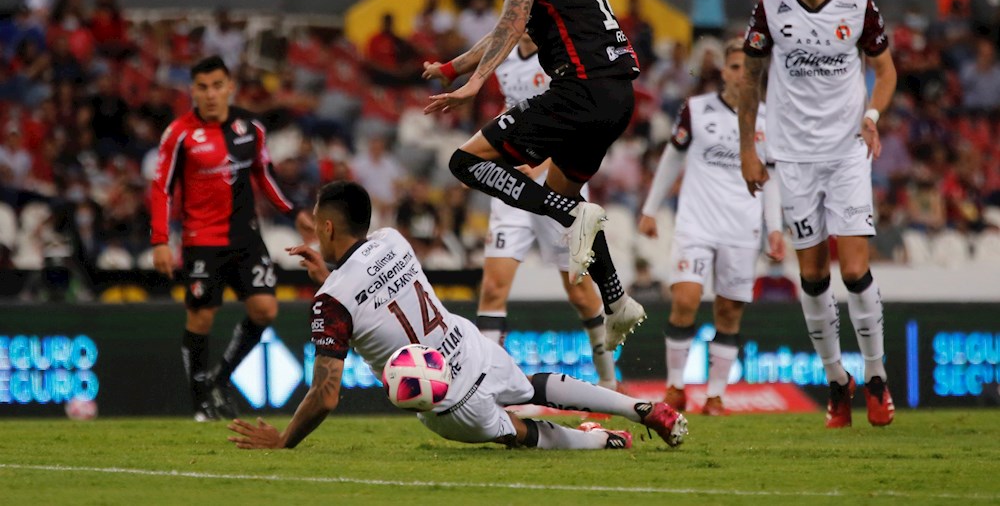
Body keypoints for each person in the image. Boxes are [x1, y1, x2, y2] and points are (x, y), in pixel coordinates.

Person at [226, 181, 687, 451]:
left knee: (522, 434)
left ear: (325, 227)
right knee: (532, 385)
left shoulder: (330, 302)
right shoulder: (393, 240)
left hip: (445, 399)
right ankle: (638, 407)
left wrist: (284, 440)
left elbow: (326, 395)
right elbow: (377, 288)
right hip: (469, 348)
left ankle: (604, 441)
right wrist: (328, 273)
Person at [422, 0, 646, 350]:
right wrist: (451, 67)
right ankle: (618, 302)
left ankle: (575, 217)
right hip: (615, 95)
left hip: (579, 89)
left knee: (464, 162)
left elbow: (513, 16)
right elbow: (513, 23)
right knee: (565, 194)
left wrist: (473, 83)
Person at [738, 0, 897, 428]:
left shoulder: (859, 5)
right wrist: (749, 148)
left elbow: (886, 70)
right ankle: (836, 381)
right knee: (812, 276)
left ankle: (875, 378)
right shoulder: (770, 8)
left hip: (847, 152)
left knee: (854, 270)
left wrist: (871, 118)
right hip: (794, 158)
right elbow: (750, 79)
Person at [149, 55, 315, 422]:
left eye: (217, 86)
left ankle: (220, 379)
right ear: (193, 91)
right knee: (202, 318)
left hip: (246, 238)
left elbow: (265, 175)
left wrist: (295, 213)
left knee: (265, 309)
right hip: (201, 241)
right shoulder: (179, 134)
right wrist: (160, 239)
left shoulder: (250, 128)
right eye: (202, 88)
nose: (210, 95)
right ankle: (199, 404)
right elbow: (161, 187)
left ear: (230, 87)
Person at [638, 39, 785, 416]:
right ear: (724, 71)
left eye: (748, 69)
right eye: (735, 67)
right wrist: (651, 208)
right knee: (685, 299)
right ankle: (675, 387)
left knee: (729, 311)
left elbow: (772, 177)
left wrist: (775, 228)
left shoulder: (768, 119)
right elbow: (673, 158)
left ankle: (716, 396)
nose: (741, 75)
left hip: (743, 227)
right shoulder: (697, 109)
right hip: (696, 223)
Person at [476, 33, 617, 389]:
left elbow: (578, 122)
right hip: (511, 188)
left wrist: (539, 166)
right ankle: (486, 386)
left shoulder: (565, 59)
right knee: (493, 288)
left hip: (559, 182)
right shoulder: (502, 58)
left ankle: (610, 381)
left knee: (580, 293)